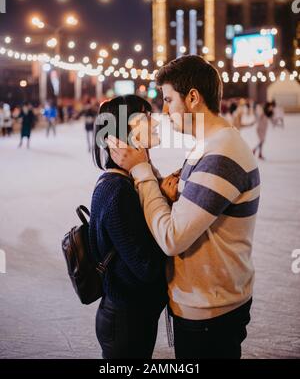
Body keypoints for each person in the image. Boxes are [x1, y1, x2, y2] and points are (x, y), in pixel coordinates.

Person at [107, 55, 260, 359]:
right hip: (207, 302)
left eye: (167, 100)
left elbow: (172, 237)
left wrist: (140, 171)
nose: (164, 111)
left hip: (209, 312)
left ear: (192, 97)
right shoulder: (210, 146)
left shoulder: (221, 156)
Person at [89, 95, 167, 359]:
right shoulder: (117, 190)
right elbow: (147, 267)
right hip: (125, 321)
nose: (154, 121)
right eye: (145, 115)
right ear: (124, 129)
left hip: (133, 315)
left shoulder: (127, 182)